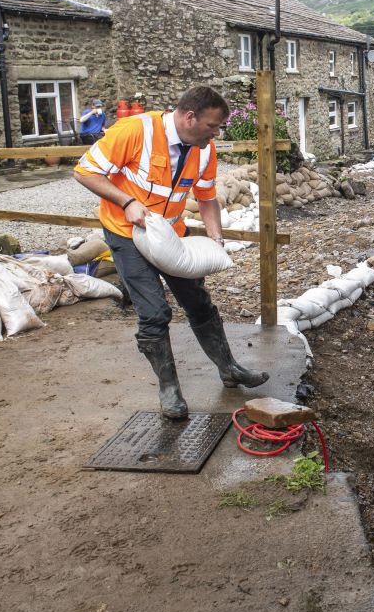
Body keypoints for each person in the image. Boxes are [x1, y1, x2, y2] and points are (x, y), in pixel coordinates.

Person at [72, 85, 267, 420]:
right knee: (154, 312)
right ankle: (169, 390)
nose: (216, 133)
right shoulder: (136, 131)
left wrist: (215, 237)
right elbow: (84, 171)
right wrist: (127, 201)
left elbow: (205, 196)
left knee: (198, 302)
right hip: (127, 233)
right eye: (212, 126)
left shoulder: (204, 149)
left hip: (171, 236)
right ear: (190, 117)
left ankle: (229, 368)